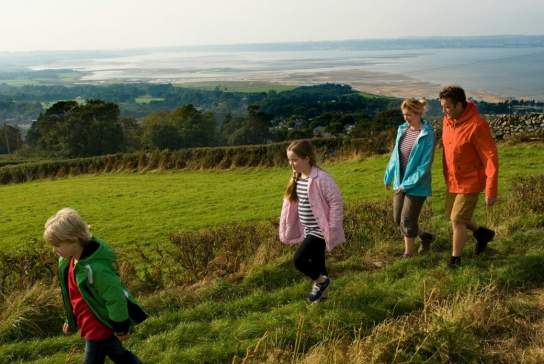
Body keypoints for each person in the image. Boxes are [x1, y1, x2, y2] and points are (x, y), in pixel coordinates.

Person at [44, 208, 147, 364]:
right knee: (119, 355)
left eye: (57, 245)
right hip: (89, 321)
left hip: (98, 326)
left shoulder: (96, 269)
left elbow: (115, 297)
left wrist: (120, 327)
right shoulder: (69, 262)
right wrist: (70, 319)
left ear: (73, 239)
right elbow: (72, 296)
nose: (54, 250)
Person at [439, 86, 499, 268]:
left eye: (447, 107)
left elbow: (490, 157)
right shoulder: (447, 121)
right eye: (442, 106)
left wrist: (491, 189)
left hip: (471, 181)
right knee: (454, 216)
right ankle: (482, 234)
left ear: (460, 105)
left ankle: (455, 260)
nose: (444, 111)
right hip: (453, 180)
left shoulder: (477, 124)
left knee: (457, 220)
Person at [279, 140, 345, 303]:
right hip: (307, 228)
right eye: (289, 160)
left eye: (295, 160)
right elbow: (292, 204)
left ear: (307, 158)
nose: (292, 164)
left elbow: (336, 201)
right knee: (318, 263)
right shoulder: (297, 177)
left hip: (320, 229)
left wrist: (333, 226)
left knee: (299, 259)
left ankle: (322, 282)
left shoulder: (321, 178)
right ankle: (322, 297)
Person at [384, 98, 436, 256]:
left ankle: (408, 253)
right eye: (404, 114)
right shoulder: (402, 130)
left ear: (419, 113)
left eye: (409, 114)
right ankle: (425, 236)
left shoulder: (428, 134)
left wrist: (407, 184)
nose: (406, 117)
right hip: (400, 182)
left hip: (418, 185)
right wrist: (389, 175)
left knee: (406, 220)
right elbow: (395, 155)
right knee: (397, 218)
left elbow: (424, 166)